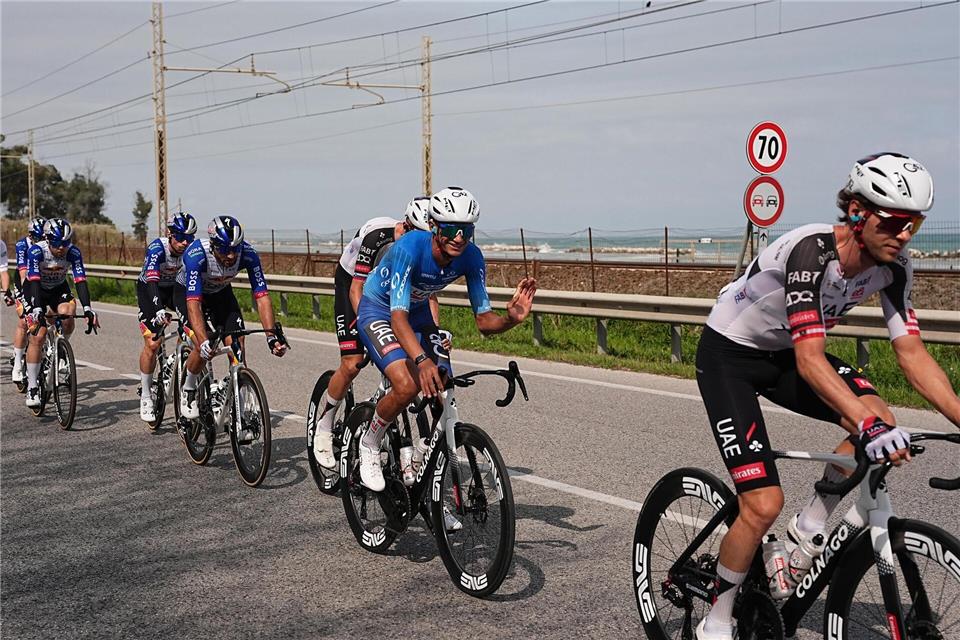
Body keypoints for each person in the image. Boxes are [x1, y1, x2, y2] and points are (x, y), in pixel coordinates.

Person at [694, 153, 960, 640]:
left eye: (914, 223)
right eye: (895, 220)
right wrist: (867, 425)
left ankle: (809, 530)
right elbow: (813, 359)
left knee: (879, 412)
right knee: (761, 503)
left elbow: (913, 354)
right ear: (858, 212)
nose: (904, 234)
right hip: (730, 355)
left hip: (785, 356)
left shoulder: (894, 267)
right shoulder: (812, 252)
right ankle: (717, 618)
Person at [355, 186, 537, 492]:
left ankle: (434, 491)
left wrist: (509, 320)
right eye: (452, 228)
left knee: (444, 395)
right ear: (436, 227)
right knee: (408, 384)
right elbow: (397, 319)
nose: (459, 237)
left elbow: (483, 322)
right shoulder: (409, 249)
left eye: (467, 230)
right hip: (379, 310)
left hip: (418, 314)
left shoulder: (472, 257)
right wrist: (422, 360)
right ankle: (370, 441)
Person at [311, 197, 435, 468]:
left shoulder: (425, 252)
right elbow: (358, 290)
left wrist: (436, 334)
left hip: (391, 290)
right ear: (405, 227)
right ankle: (325, 424)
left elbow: (429, 297)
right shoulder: (377, 237)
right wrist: (370, 332)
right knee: (353, 362)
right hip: (353, 284)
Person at [174, 215, 288, 422]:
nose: (231, 255)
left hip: (220, 294)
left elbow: (261, 296)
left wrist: (271, 337)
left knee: (237, 341)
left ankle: (236, 396)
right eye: (225, 249)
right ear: (214, 246)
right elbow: (193, 303)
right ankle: (189, 388)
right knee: (203, 342)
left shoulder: (249, 254)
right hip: (187, 294)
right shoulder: (196, 255)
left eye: (235, 248)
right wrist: (203, 341)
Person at [22, 218, 100, 408]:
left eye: (66, 242)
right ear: (48, 240)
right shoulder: (36, 251)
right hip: (35, 289)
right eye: (58, 243)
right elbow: (32, 281)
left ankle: (61, 347)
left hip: (58, 289)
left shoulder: (73, 252)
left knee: (68, 315)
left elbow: (80, 281)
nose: (62, 248)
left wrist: (88, 309)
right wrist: (38, 309)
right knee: (38, 335)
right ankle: (32, 387)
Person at [136, 213, 197, 422]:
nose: (184, 242)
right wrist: (158, 309)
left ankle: (178, 359)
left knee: (192, 328)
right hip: (150, 290)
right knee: (153, 344)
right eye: (180, 237)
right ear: (169, 234)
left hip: (175, 290)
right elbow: (152, 280)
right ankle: (146, 395)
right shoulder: (157, 248)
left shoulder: (192, 251)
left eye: (189, 238)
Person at [7, 218, 46, 384]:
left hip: (42, 281)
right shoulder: (22, 245)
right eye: (38, 238)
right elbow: (23, 273)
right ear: (30, 235)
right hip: (24, 282)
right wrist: (26, 298)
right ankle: (17, 364)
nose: (42, 242)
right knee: (24, 321)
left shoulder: (48, 244)